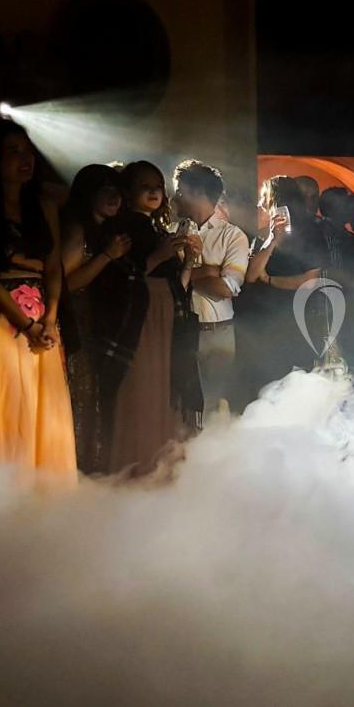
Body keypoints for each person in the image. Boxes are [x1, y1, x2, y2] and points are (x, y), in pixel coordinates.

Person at [0, 119, 76, 481]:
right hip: (3, 321)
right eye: (13, 151)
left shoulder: (44, 205)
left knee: (45, 410)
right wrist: (26, 323)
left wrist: (49, 318)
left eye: (27, 150)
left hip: (43, 321)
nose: (24, 159)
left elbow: (53, 267)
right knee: (11, 406)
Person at [107, 161, 200, 474]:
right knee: (144, 383)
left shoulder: (157, 229)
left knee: (164, 386)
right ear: (129, 192)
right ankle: (138, 461)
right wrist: (161, 255)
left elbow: (178, 284)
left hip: (166, 310)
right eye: (144, 186)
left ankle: (160, 460)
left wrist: (188, 261)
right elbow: (124, 278)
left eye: (158, 185)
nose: (153, 191)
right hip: (142, 312)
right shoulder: (126, 228)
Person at [60, 163, 131, 475]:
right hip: (78, 324)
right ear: (88, 193)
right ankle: (78, 468)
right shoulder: (77, 230)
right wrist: (106, 257)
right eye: (105, 189)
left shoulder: (106, 231)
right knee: (81, 398)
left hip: (97, 326)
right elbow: (64, 281)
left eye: (117, 189)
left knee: (94, 399)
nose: (114, 196)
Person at [235, 175, 327, 405]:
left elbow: (308, 282)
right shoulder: (264, 235)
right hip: (263, 326)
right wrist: (272, 241)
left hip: (295, 324)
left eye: (263, 198)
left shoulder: (310, 234)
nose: (259, 205)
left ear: (277, 201)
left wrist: (269, 281)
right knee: (263, 390)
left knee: (292, 392)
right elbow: (251, 274)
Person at [173, 160, 248, 422]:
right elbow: (169, 283)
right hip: (180, 330)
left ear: (195, 192)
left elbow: (227, 288)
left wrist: (186, 272)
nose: (174, 198)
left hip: (217, 332)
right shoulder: (174, 233)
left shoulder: (233, 236)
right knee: (180, 407)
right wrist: (208, 271)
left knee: (213, 406)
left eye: (179, 191)